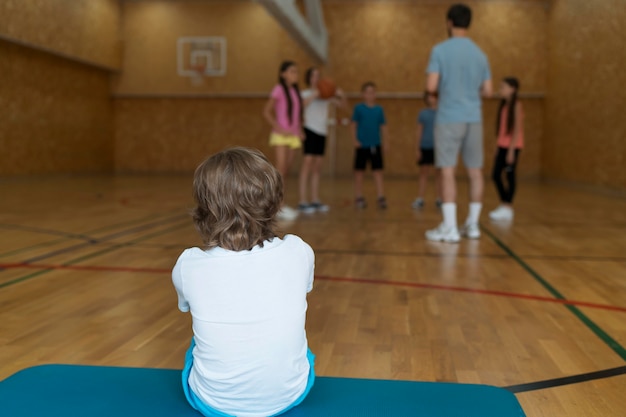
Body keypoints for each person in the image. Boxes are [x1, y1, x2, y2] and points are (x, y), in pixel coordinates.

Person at [172, 147, 316, 417]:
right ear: (274, 202)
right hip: (292, 394)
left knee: (198, 341)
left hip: (212, 404)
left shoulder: (188, 264)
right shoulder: (299, 250)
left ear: (205, 208)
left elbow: (185, 307)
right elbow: (302, 289)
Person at [424, 3, 492, 242]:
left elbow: (431, 86)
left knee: (448, 170)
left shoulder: (440, 50)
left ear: (449, 22)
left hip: (449, 118)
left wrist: (442, 92)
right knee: (475, 172)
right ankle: (472, 226)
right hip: (474, 117)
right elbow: (489, 91)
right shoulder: (481, 54)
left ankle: (450, 227)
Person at [298, 67, 347, 214]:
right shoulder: (305, 93)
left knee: (317, 167)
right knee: (307, 164)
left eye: (318, 76)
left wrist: (341, 94)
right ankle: (302, 201)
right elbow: (301, 106)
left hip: (322, 131)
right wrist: (316, 94)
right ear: (308, 78)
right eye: (313, 76)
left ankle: (315, 200)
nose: (316, 78)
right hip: (309, 130)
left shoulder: (326, 95)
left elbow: (343, 106)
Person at [263, 61, 304, 221]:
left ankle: (279, 205)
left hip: (293, 136)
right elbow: (266, 111)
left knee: (285, 171)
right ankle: (278, 206)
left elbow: (296, 113)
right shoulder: (278, 89)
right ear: (283, 74)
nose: (295, 74)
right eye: (292, 71)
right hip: (281, 136)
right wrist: (278, 127)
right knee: (279, 172)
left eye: (296, 72)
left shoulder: (295, 91)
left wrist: (299, 129)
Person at [489, 77, 524, 221]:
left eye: (503, 87)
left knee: (510, 176)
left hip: (513, 147)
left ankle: (507, 206)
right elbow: (502, 130)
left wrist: (511, 150)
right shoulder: (503, 106)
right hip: (502, 146)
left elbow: (516, 130)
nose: (501, 90)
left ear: (512, 89)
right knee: (495, 175)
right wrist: (499, 147)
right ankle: (505, 204)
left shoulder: (517, 106)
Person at [350, 82, 388, 209]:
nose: (370, 94)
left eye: (373, 92)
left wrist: (385, 142)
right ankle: (359, 196)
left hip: (375, 144)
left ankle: (380, 196)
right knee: (359, 172)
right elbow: (353, 124)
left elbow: (383, 127)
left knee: (378, 171)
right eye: (368, 92)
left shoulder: (379, 109)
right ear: (363, 94)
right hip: (362, 145)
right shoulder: (358, 108)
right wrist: (355, 140)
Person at [412, 91, 442, 209]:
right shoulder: (423, 113)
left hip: (438, 147)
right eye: (429, 96)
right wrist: (417, 149)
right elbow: (419, 131)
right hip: (425, 146)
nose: (431, 99)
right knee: (423, 173)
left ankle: (439, 198)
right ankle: (420, 198)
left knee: (439, 175)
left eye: (434, 96)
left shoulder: (442, 113)